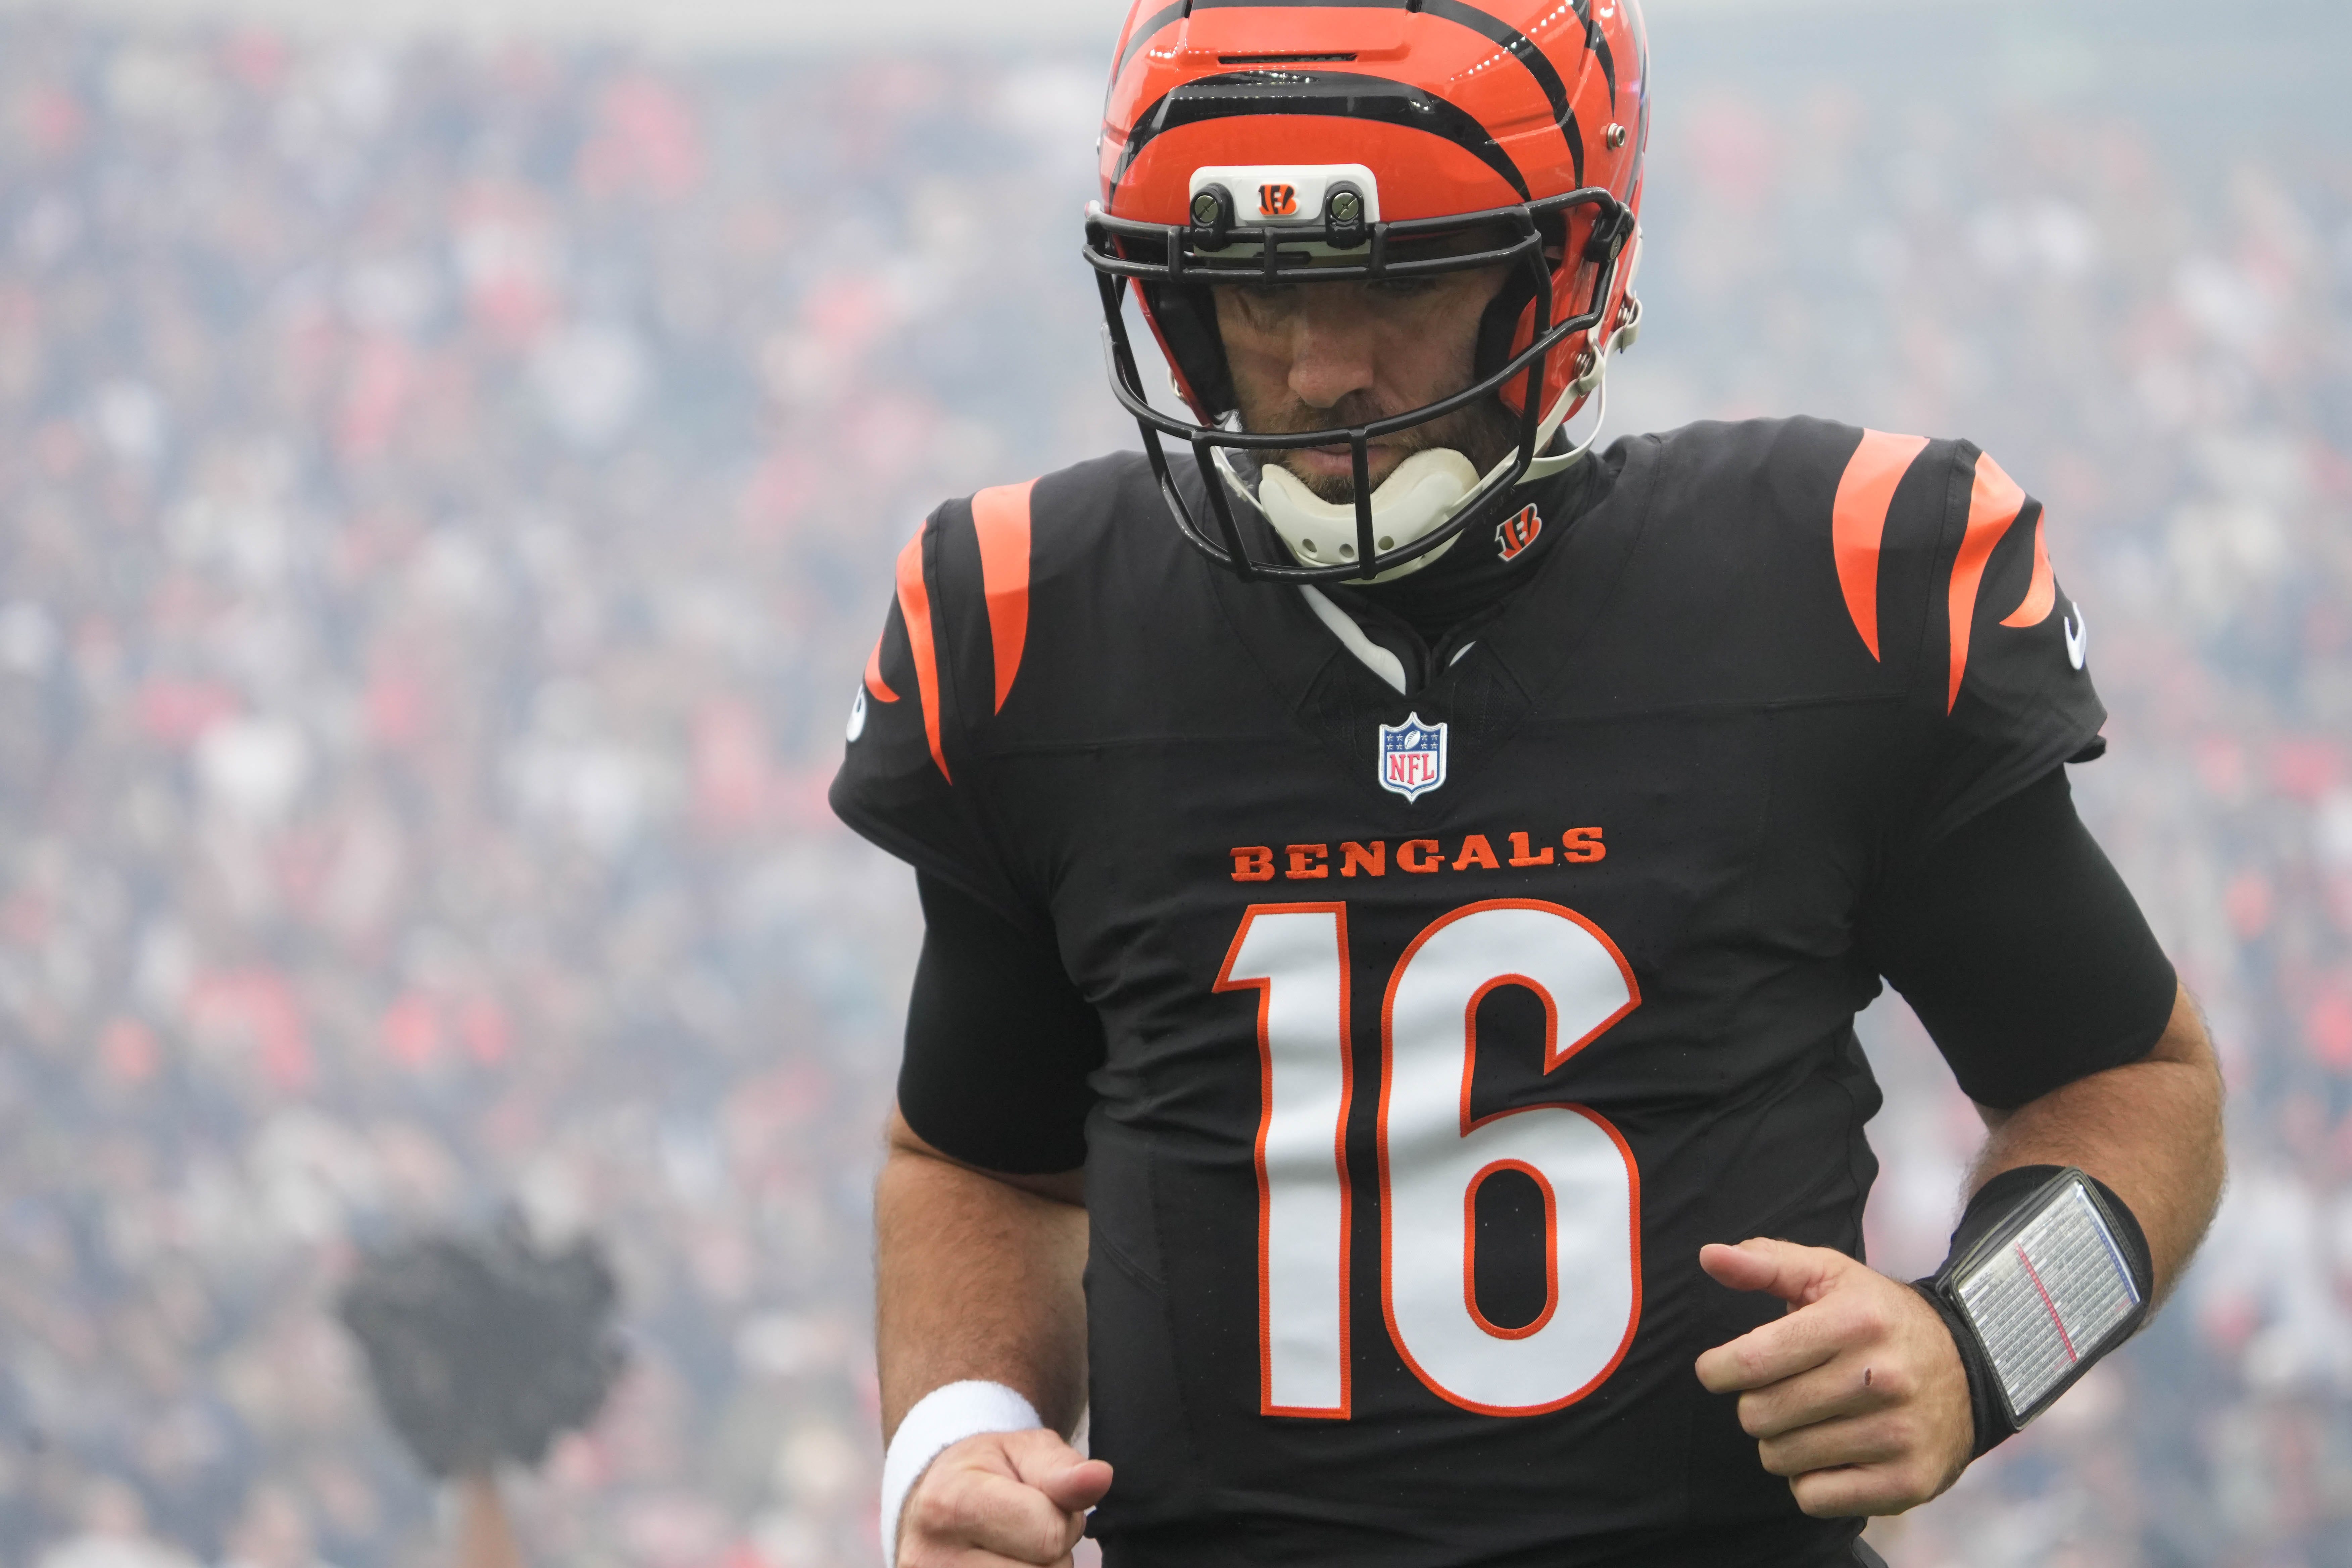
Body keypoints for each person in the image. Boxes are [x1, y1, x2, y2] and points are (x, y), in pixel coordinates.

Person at [830, 3, 2225, 1564]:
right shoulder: (1033, 622)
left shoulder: (1836, 581)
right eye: (1258, 286)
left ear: (1567, 264)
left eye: (1403, 275)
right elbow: (975, 1156)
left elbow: (2136, 1089)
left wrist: (1977, 1350)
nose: (1321, 368)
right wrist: (953, 1443)